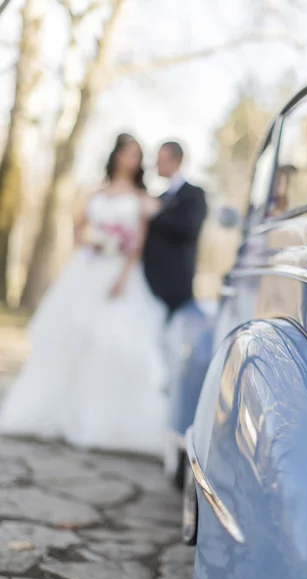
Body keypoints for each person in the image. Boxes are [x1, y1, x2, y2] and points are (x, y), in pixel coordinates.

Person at [0, 133, 168, 456]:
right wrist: (89, 239)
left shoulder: (140, 198)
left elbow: (138, 244)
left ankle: (100, 422)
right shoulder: (96, 191)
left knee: (110, 342)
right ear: (116, 155)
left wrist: (122, 276)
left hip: (119, 273)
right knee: (68, 338)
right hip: (87, 268)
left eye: (135, 155)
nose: (129, 159)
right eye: (125, 153)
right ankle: (54, 415)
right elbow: (78, 226)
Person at [143, 141, 207, 317]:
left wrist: (157, 213)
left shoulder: (194, 194)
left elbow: (189, 228)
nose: (156, 165)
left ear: (176, 161)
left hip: (175, 286)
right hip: (149, 283)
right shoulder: (159, 197)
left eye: (161, 159)